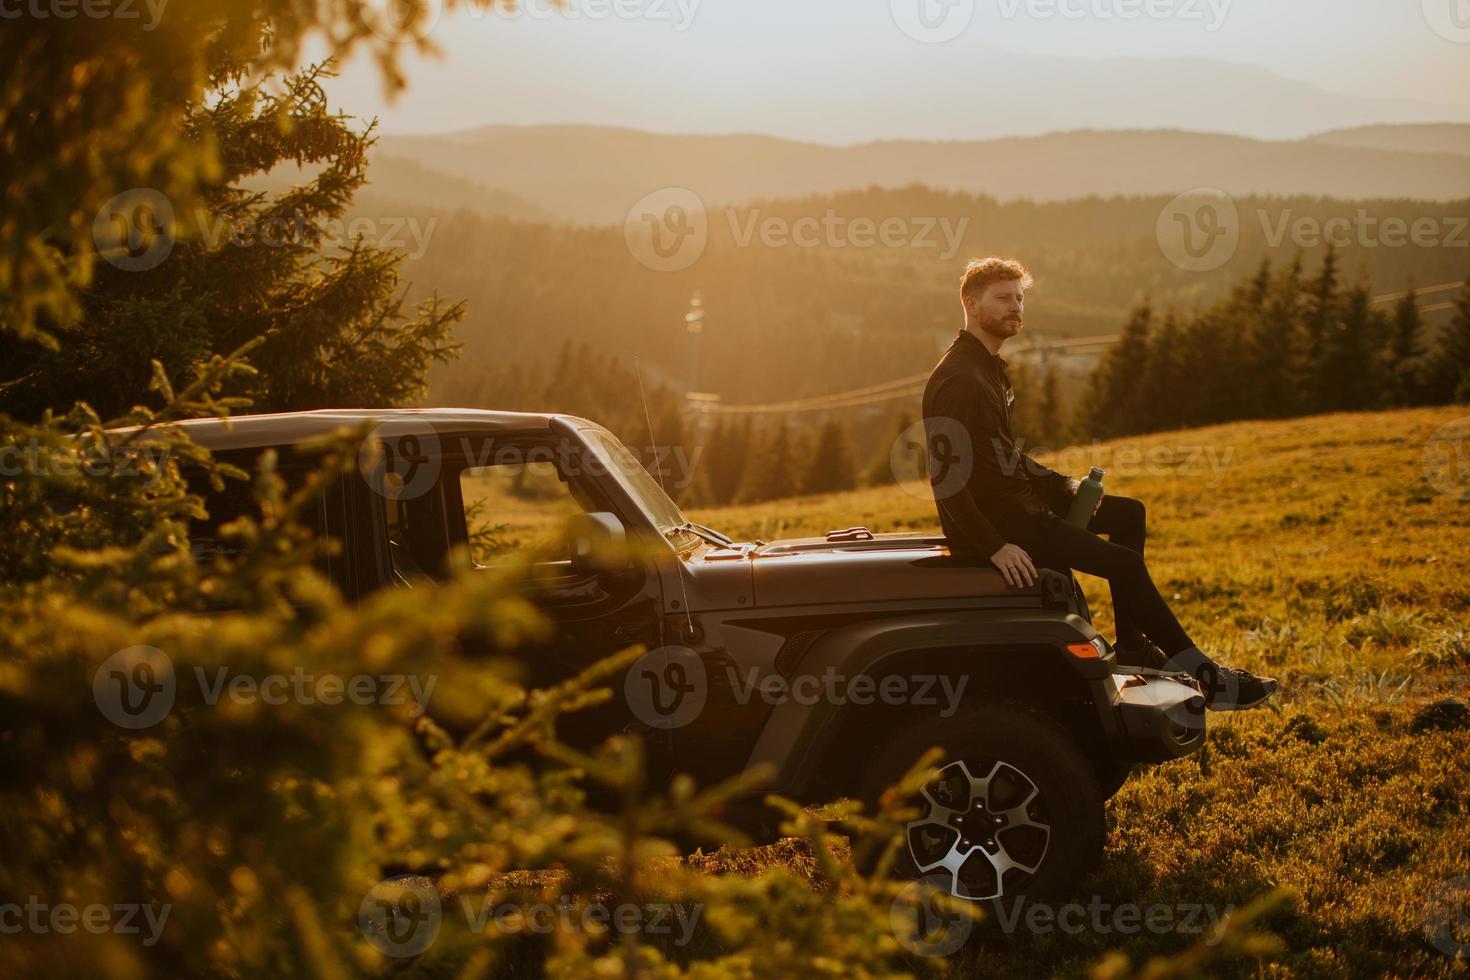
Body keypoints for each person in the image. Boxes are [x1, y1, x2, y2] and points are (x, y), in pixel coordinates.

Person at [921, 256, 1277, 711]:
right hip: (1004, 525)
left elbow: (1002, 457)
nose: (1016, 307)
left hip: (1022, 508)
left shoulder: (988, 368)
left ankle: (1133, 647)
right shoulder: (958, 377)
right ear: (971, 304)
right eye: (1003, 298)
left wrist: (1065, 486)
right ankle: (1210, 680)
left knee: (1130, 514)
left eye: (1020, 297)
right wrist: (994, 546)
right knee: (1124, 566)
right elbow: (945, 478)